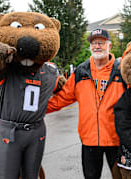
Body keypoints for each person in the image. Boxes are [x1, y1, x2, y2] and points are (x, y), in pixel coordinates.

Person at [47, 28, 125, 179]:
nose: (97, 46)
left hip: (117, 140)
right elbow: (63, 98)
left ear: (109, 46)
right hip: (89, 140)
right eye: (94, 43)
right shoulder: (81, 72)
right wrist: (37, 111)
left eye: (101, 43)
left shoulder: (121, 71)